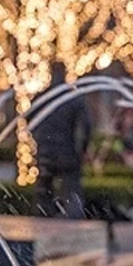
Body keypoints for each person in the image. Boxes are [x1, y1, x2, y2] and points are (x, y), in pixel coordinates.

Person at [32, 61, 91, 218]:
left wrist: (38, 140)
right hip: (67, 151)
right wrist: (83, 149)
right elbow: (86, 126)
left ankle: (42, 226)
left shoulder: (42, 97)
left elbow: (29, 120)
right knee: (72, 191)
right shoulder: (73, 98)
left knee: (44, 191)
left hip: (45, 151)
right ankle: (75, 227)